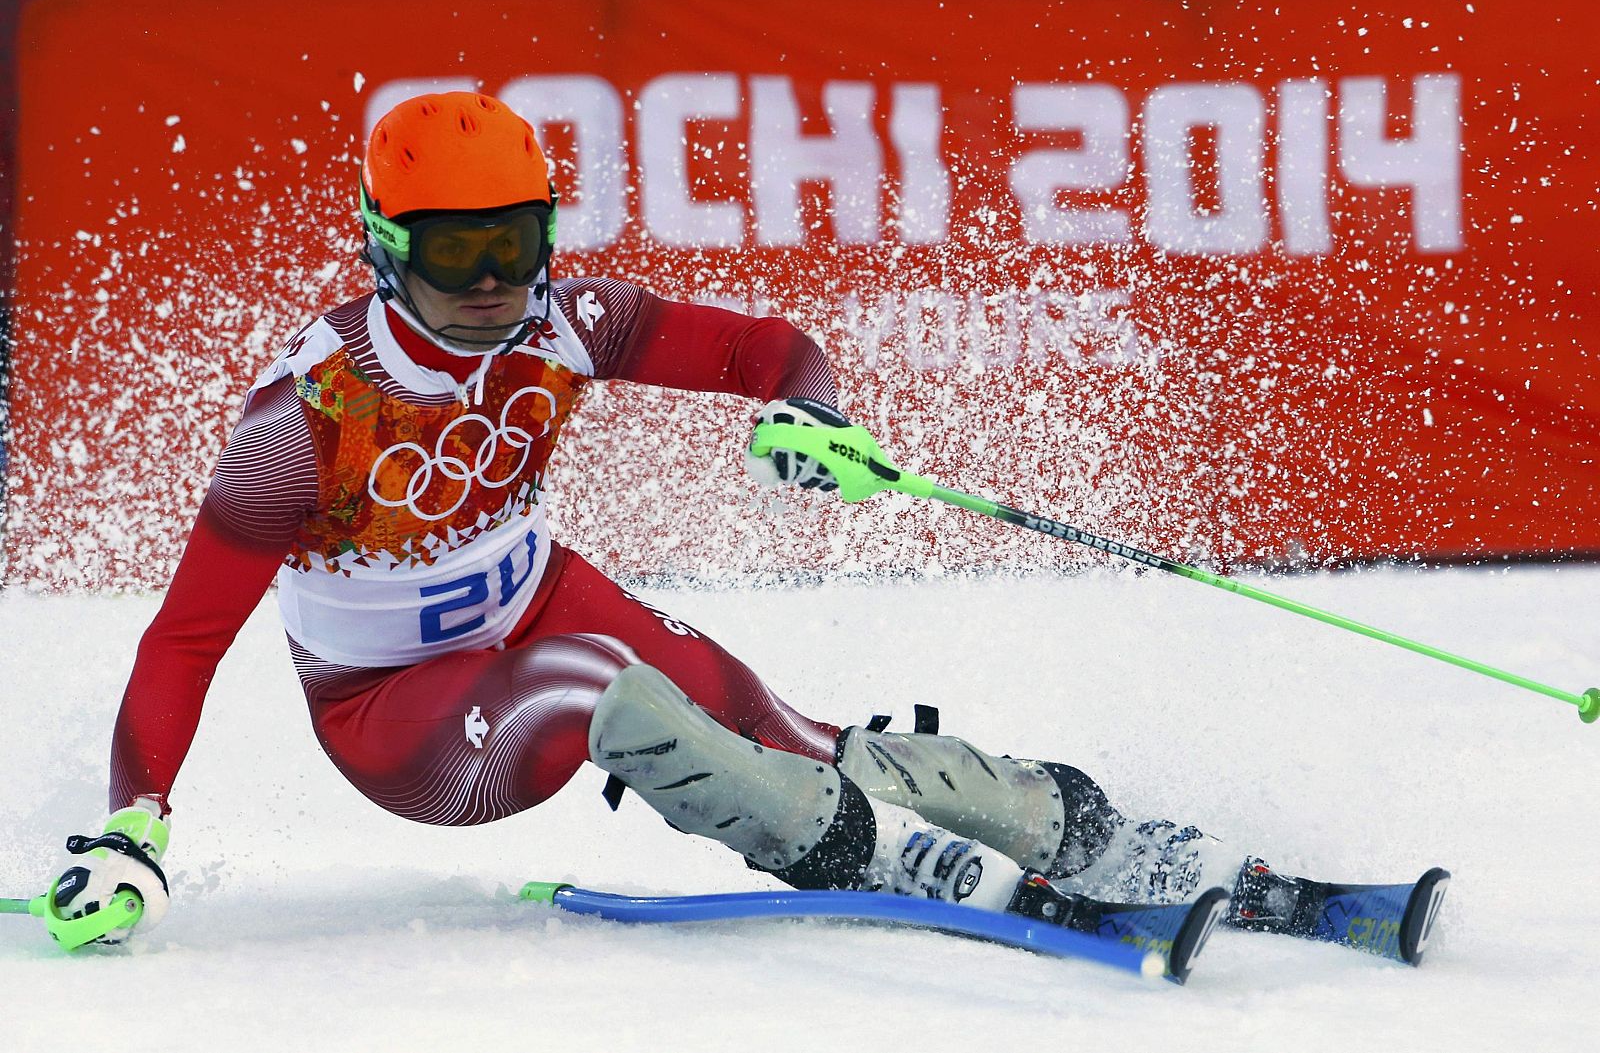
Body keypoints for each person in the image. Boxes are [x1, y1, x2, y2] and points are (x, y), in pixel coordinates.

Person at [48, 92, 1382, 955]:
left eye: (517, 240)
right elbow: (182, 637)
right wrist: (134, 825)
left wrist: (809, 414)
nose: (495, 281)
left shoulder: (562, 323)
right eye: (456, 252)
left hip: (533, 601)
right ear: (381, 242)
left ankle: (1055, 819)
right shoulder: (313, 412)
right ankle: (864, 852)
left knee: (768, 713)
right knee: (601, 677)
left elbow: (770, 347)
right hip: (399, 719)